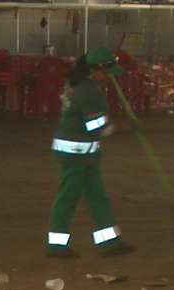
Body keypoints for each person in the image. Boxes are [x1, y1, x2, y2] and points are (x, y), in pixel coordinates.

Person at [45, 46, 136, 258]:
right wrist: (124, 127)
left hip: (85, 153)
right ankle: (55, 246)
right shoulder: (87, 91)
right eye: (105, 73)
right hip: (76, 153)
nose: (107, 78)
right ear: (92, 70)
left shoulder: (77, 84)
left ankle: (109, 243)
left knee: (97, 197)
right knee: (68, 198)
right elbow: (99, 128)